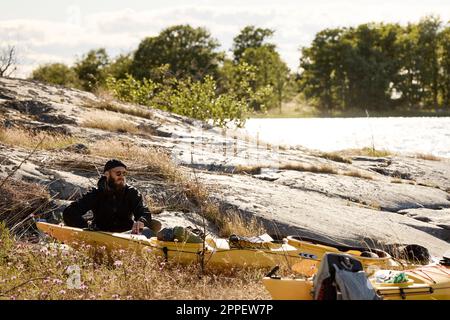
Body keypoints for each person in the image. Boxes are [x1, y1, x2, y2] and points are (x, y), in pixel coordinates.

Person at [63, 159, 160, 237]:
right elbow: (70, 212)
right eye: (118, 173)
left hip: (127, 235)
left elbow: (143, 211)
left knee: (151, 227)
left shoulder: (131, 192)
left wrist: (141, 221)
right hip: (101, 235)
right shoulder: (96, 193)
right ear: (107, 174)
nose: (121, 176)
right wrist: (86, 227)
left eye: (124, 174)